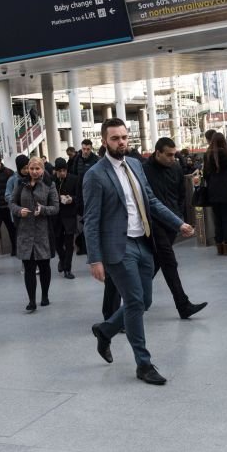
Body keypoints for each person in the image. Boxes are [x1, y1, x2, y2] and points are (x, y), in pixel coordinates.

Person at [84, 118, 194, 385]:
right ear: (104, 141)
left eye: (124, 137)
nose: (121, 142)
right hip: (117, 248)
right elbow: (91, 219)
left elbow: (151, 201)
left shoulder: (135, 165)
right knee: (134, 302)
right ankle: (143, 364)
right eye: (115, 138)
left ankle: (105, 330)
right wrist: (95, 259)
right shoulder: (95, 175)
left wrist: (178, 223)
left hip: (143, 242)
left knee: (144, 301)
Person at [143, 137, 207, 319]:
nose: (173, 158)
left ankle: (134, 300)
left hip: (171, 222)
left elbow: (181, 194)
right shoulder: (143, 171)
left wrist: (178, 218)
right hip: (154, 223)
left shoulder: (176, 168)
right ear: (158, 153)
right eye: (169, 155)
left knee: (156, 263)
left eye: (174, 154)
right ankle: (183, 304)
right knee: (169, 262)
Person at [11, 157, 60, 312]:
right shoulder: (20, 184)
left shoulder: (49, 185)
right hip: (25, 232)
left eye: (37, 169)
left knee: (44, 266)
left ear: (42, 169)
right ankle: (32, 300)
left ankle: (44, 295)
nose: (34, 171)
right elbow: (12, 203)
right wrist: (19, 210)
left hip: (43, 232)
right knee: (29, 266)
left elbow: (56, 207)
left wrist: (43, 210)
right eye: (31, 168)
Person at [202, 132, 227, 256]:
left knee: (217, 220)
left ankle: (219, 247)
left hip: (212, 191)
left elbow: (205, 175)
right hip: (226, 190)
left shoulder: (207, 155)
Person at [52, 157, 80, 279]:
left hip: (69, 216)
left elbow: (80, 197)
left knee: (69, 244)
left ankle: (67, 269)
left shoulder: (74, 179)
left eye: (64, 170)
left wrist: (71, 199)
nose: (62, 173)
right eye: (60, 171)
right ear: (56, 171)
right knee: (57, 243)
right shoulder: (51, 181)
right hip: (56, 217)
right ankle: (62, 260)